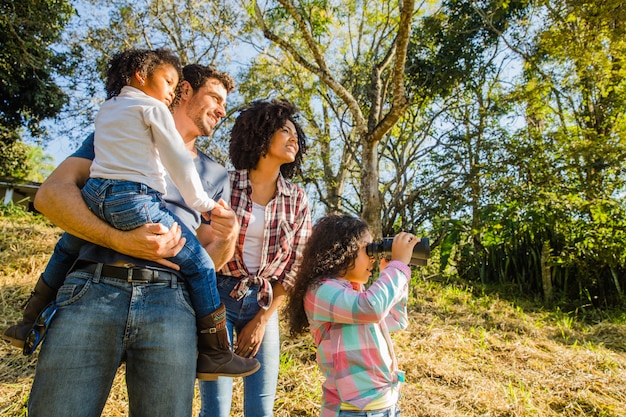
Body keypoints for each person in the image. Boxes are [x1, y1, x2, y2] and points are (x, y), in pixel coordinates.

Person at [5, 48, 259, 380]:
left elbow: (210, 262)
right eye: (214, 97)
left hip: (170, 304)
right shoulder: (122, 132)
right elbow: (49, 196)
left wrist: (229, 234)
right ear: (183, 90)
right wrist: (122, 241)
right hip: (92, 289)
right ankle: (215, 351)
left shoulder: (215, 174)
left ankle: (29, 319)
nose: (222, 110)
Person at [199, 99, 312, 417]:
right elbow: (202, 246)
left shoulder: (298, 198)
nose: (294, 139)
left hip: (265, 303)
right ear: (261, 134)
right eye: (284, 130)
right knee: (215, 409)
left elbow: (297, 264)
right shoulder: (223, 184)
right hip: (217, 298)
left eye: (296, 134)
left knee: (261, 409)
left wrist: (262, 320)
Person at [285, 214, 418, 417]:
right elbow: (371, 308)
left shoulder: (356, 292)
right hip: (353, 410)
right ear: (342, 250)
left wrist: (391, 272)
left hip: (386, 404)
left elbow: (397, 319)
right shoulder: (320, 291)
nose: (372, 257)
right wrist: (397, 267)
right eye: (367, 249)